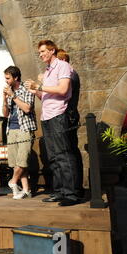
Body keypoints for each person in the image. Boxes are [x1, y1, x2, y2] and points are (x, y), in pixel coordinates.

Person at [24, 40, 81, 206]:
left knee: (64, 154)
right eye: (40, 52)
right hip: (47, 116)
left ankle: (71, 194)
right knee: (53, 156)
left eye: (43, 51)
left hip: (58, 115)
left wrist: (40, 85)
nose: (41, 54)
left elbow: (63, 90)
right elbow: (47, 95)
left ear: (52, 50)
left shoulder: (62, 65)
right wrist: (36, 91)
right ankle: (59, 191)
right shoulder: (48, 70)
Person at [2, 66, 37, 199]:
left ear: (16, 77)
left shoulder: (26, 89)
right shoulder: (9, 91)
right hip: (11, 129)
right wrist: (5, 99)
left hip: (25, 128)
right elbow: (5, 114)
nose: (6, 81)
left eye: (8, 78)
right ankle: (26, 190)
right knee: (15, 162)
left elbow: (27, 108)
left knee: (22, 160)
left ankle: (12, 182)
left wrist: (13, 96)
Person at [56, 49, 83, 194]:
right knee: (69, 150)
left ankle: (73, 188)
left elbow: (63, 92)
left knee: (68, 152)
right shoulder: (72, 74)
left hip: (68, 115)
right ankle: (71, 187)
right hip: (69, 114)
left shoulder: (70, 75)